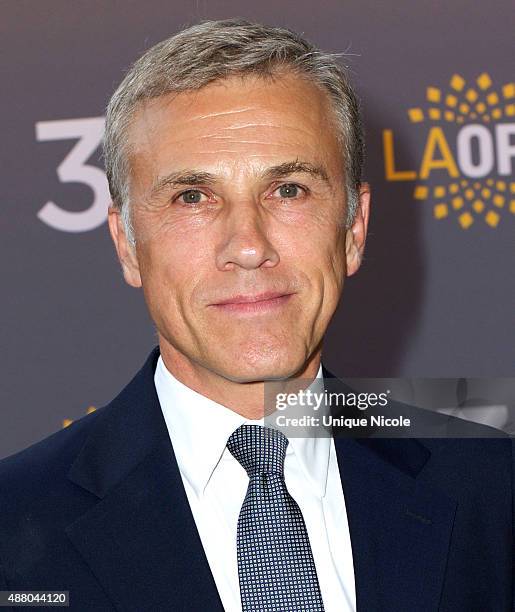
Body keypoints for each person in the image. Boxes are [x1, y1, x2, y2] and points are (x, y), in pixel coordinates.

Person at [0, 19, 512, 612]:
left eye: (289, 190)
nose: (247, 245)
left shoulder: (494, 490)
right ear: (126, 244)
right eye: (192, 197)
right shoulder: (13, 525)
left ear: (353, 229)